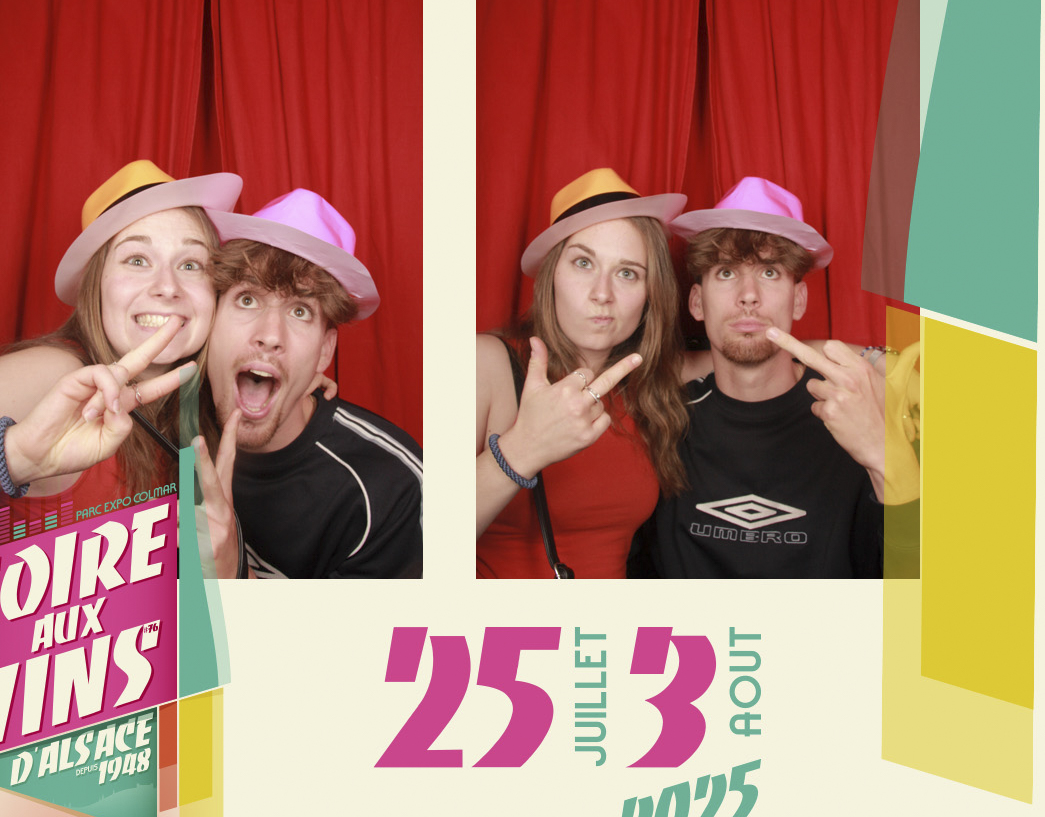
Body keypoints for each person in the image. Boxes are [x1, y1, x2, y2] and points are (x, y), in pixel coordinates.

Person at [627, 176, 919, 579]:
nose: (748, 295)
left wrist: (887, 461)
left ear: (798, 300)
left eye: (769, 272)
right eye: (726, 272)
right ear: (697, 302)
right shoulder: (661, 421)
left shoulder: (857, 411)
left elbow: (913, 586)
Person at [0, 161, 242, 515]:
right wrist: (14, 455)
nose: (168, 287)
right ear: (96, 285)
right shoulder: (54, 373)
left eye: (190, 265)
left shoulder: (199, 406)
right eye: (137, 260)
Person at [194, 190, 423, 578]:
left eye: (300, 311)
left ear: (324, 352)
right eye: (247, 300)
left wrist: (234, 576)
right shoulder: (167, 416)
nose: (270, 336)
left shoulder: (385, 487)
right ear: (210, 320)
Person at [476, 169, 689, 579]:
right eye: (583, 263)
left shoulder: (648, 380)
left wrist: (824, 352)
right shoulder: (487, 364)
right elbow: (417, 536)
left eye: (627, 272)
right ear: (551, 274)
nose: (602, 294)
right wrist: (523, 449)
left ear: (650, 295)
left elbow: (741, 359)